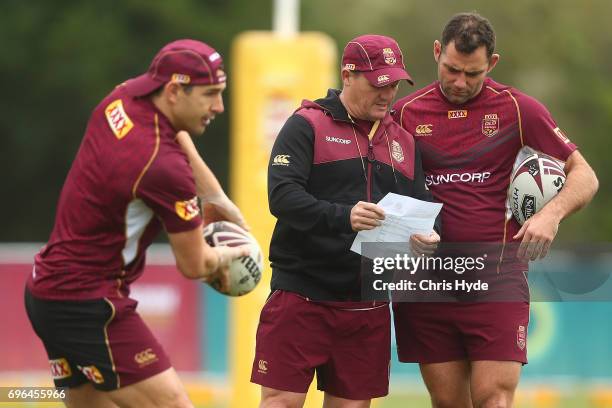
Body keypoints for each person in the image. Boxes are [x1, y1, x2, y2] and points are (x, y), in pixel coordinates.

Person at [25, 39, 249, 408]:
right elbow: (195, 265)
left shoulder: (122, 97)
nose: (219, 107)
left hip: (47, 291)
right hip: (88, 303)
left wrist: (213, 197)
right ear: (175, 91)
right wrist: (233, 255)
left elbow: (173, 132)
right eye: (210, 94)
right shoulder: (162, 166)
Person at [392, 13, 599, 408]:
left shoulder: (518, 109)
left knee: (494, 398)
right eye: (451, 69)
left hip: (496, 274)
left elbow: (585, 175)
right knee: (448, 403)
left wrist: (549, 215)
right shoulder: (404, 113)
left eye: (473, 74)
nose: (459, 82)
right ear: (437, 52)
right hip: (427, 282)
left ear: (493, 64)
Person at [250, 35, 440, 408]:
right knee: (280, 403)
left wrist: (431, 235)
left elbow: (423, 204)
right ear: (348, 75)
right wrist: (344, 216)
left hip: (367, 305)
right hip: (301, 296)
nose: (388, 94)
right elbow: (282, 197)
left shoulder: (404, 141)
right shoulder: (306, 125)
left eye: (395, 84)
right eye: (377, 83)